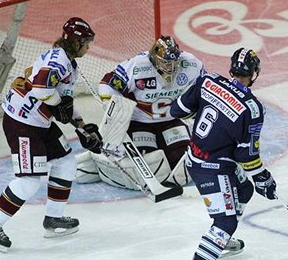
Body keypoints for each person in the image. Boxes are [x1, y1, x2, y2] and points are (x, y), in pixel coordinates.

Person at [0, 17, 102, 253]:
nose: (88, 47)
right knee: (29, 180)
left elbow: (63, 102)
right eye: (86, 42)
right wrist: (58, 105)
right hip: (21, 123)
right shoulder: (57, 61)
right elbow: (42, 89)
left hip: (38, 122)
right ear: (75, 43)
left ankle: (53, 219)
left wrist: (83, 126)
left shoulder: (69, 63)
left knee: (65, 162)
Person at [170, 48, 277, 260]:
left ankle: (220, 240)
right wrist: (265, 179)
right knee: (226, 220)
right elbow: (246, 156)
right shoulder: (252, 109)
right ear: (254, 74)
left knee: (245, 189)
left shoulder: (207, 81)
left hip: (195, 158)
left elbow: (176, 110)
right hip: (214, 170)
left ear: (231, 69)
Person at [75, 35, 205, 199]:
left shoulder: (191, 64)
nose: (171, 67)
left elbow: (205, 88)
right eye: (165, 62)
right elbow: (106, 85)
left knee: (181, 161)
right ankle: (98, 162)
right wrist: (116, 110)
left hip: (171, 121)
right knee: (149, 166)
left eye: (174, 62)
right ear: (154, 58)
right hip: (139, 123)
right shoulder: (137, 66)